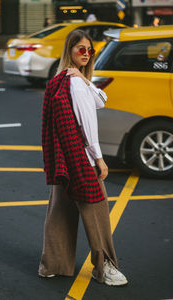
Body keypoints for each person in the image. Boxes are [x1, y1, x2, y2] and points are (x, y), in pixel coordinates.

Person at [38, 29, 128, 286]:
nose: (86, 54)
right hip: (81, 159)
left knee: (60, 212)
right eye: (81, 49)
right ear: (70, 50)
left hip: (63, 159)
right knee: (97, 213)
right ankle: (105, 268)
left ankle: (51, 265)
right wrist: (99, 159)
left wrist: (86, 80)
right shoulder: (74, 83)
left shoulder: (61, 80)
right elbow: (88, 124)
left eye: (90, 50)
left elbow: (101, 101)